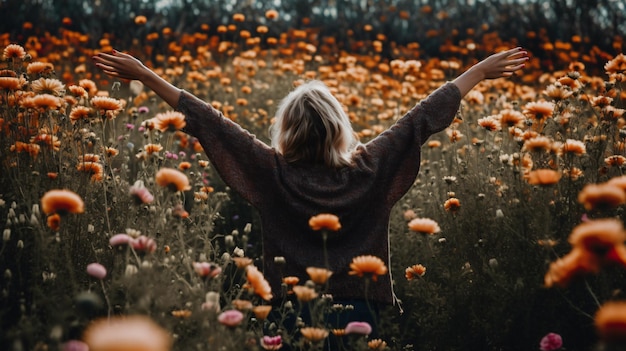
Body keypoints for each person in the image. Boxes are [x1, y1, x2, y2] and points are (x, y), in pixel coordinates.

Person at [93, 46, 528, 344]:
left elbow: (211, 122)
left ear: (286, 130)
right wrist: (480, 71)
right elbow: (419, 119)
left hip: (289, 311)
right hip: (363, 309)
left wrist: (146, 75)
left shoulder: (270, 172)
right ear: (340, 128)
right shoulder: (370, 168)